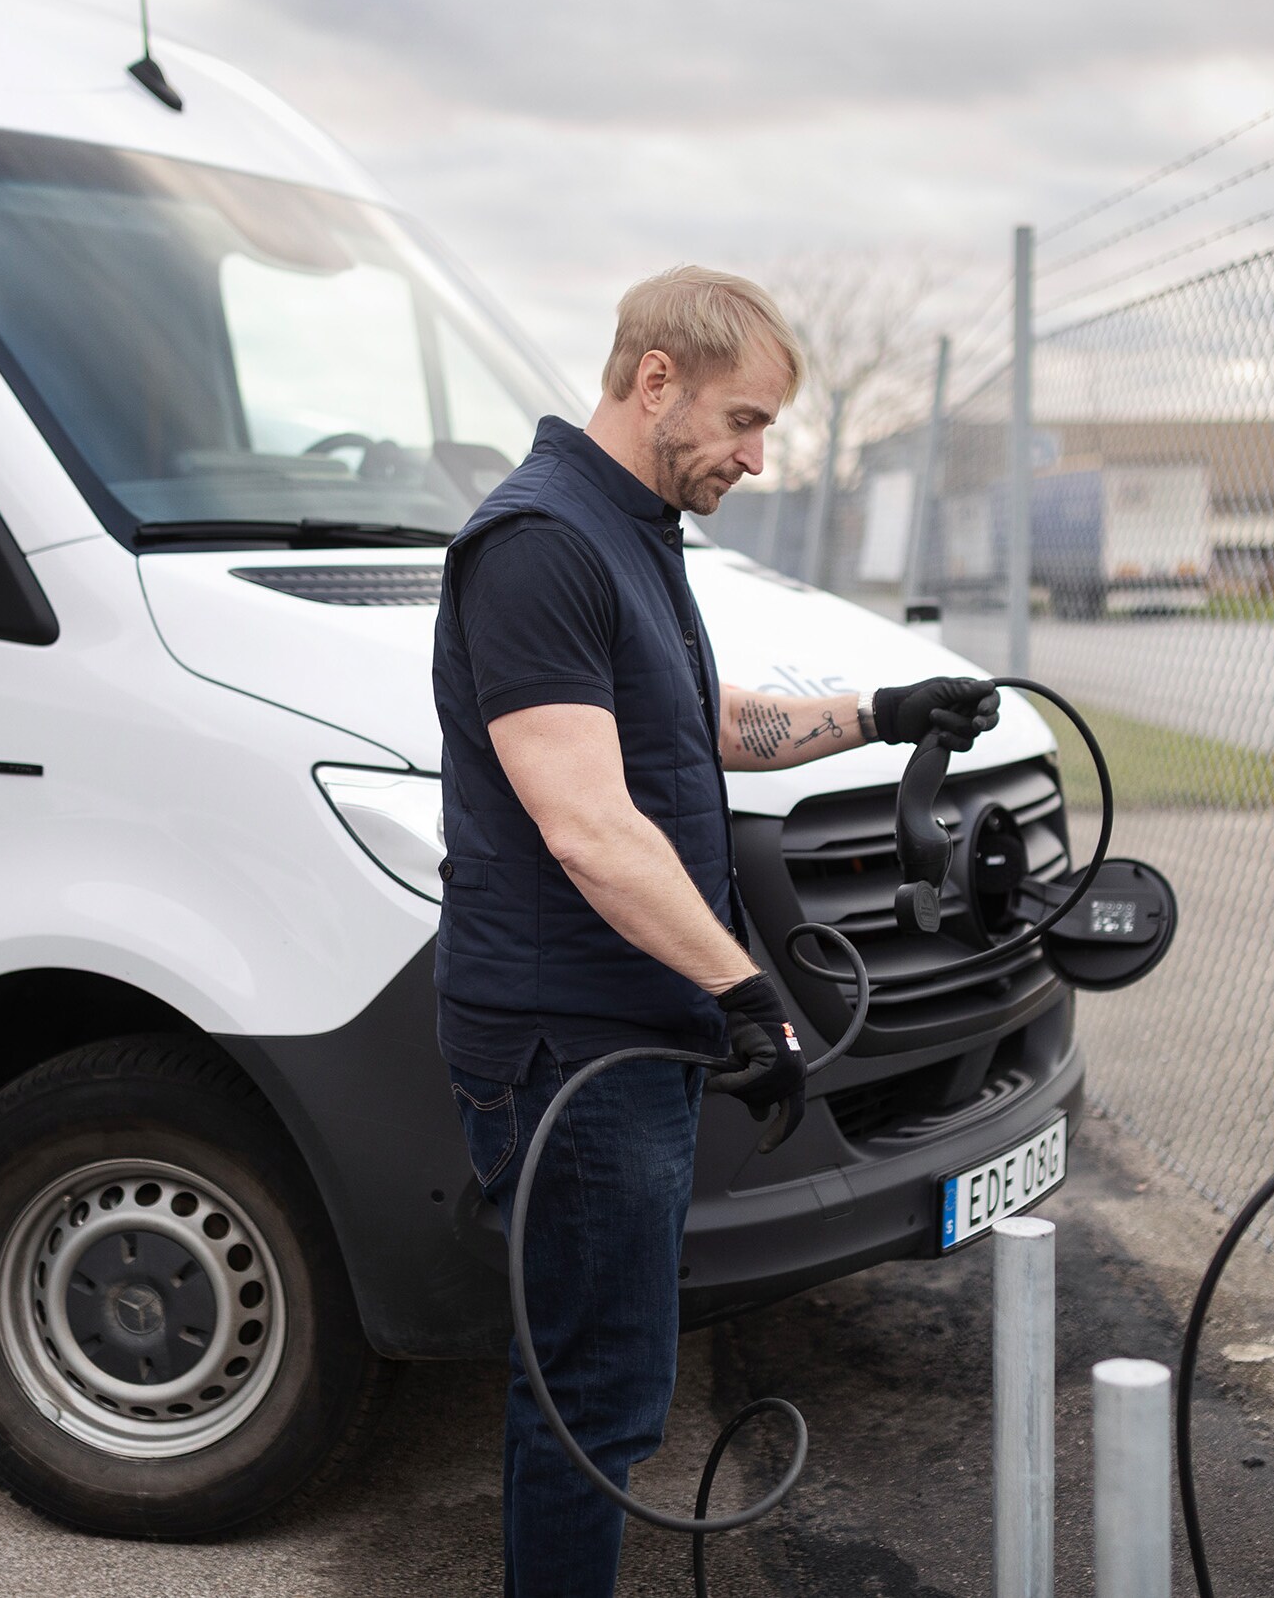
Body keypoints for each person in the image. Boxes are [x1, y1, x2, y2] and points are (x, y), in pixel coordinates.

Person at [432, 265, 999, 1596]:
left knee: (612, 1377)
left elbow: (703, 722)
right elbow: (588, 825)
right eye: (744, 423)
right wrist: (746, 990)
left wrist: (881, 709)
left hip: (629, 1031)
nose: (756, 456)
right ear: (653, 384)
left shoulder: (623, 530)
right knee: (588, 1394)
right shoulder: (537, 545)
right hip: (569, 1046)